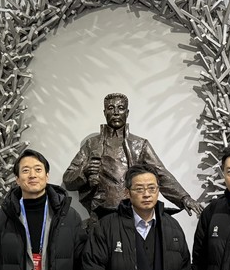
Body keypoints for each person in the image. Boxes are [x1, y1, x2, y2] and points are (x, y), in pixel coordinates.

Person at [63, 93, 202, 220]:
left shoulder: (139, 145)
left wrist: (184, 198)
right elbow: (68, 180)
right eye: (111, 108)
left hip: (132, 214)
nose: (116, 112)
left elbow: (161, 173)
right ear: (104, 112)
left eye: (121, 108)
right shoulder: (91, 144)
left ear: (127, 112)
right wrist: (84, 172)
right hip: (101, 215)